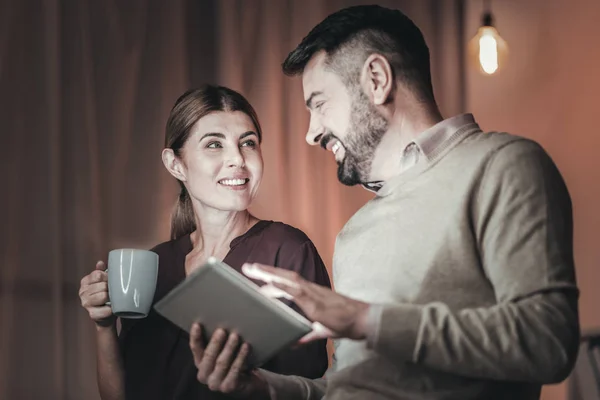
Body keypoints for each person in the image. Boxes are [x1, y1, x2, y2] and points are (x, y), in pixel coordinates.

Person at [188, 5, 580, 400]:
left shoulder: (502, 164)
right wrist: (261, 387)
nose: (311, 133)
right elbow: (348, 386)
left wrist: (367, 319)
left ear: (377, 79)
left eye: (319, 104)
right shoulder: (355, 232)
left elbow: (547, 341)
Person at [78, 85, 331, 400]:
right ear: (176, 164)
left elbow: (309, 387)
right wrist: (104, 326)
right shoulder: (156, 265)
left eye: (248, 143)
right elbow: (120, 396)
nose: (237, 159)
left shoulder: (288, 249)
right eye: (214, 144)